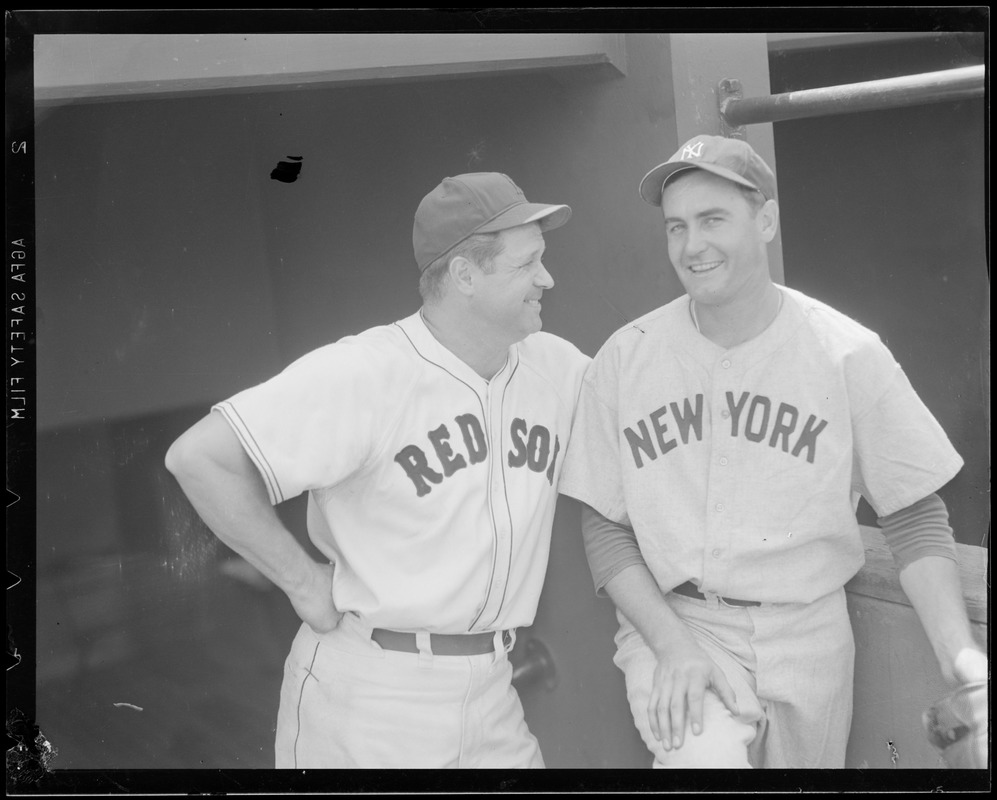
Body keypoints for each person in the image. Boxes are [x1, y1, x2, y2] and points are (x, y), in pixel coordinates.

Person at [557, 134, 988, 768]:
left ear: (765, 220)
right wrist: (672, 645)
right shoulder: (626, 355)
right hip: (682, 622)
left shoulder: (846, 351)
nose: (692, 245)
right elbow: (604, 523)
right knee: (701, 761)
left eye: (712, 220)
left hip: (810, 632)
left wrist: (963, 659)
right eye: (676, 227)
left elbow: (912, 514)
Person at [165, 172, 590, 769]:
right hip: (372, 694)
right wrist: (302, 582)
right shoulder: (366, 373)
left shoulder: (556, 365)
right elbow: (199, 459)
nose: (547, 278)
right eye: (528, 265)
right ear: (465, 275)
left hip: (494, 689)